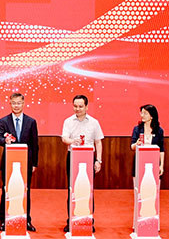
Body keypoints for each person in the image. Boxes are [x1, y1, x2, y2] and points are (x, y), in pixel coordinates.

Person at [0, 92, 39, 232]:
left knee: (26, 191)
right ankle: (3, 220)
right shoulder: (3, 121)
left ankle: (27, 220)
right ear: (10, 103)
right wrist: (5, 140)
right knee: (6, 190)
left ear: (23, 103)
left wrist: (34, 163)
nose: (16, 106)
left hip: (26, 163)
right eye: (14, 103)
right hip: (8, 163)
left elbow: (35, 144)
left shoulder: (31, 122)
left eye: (19, 103)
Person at [61, 94, 104, 233]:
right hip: (73, 157)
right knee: (72, 189)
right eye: (75, 106)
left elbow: (98, 142)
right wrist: (72, 141)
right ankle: (71, 220)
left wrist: (98, 160)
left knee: (88, 190)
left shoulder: (94, 122)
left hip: (89, 158)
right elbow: (64, 138)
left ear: (86, 107)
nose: (77, 109)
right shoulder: (68, 121)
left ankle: (88, 220)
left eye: (80, 106)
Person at [129, 104, 165, 177]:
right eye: (141, 113)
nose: (142, 115)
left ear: (151, 116)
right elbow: (132, 146)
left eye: (145, 113)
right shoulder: (137, 129)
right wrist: (136, 144)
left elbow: (161, 149)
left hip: (153, 162)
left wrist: (161, 165)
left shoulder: (159, 131)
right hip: (139, 161)